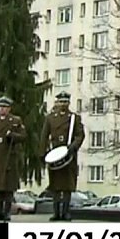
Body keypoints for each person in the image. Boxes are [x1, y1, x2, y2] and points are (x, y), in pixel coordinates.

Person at [39, 92, 84, 222]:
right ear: (56, 103)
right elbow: (44, 136)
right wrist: (43, 153)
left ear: (68, 103)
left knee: (67, 186)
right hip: (55, 155)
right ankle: (56, 213)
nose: (63, 104)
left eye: (65, 102)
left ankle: (66, 212)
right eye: (60, 102)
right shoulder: (50, 118)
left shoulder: (74, 118)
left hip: (69, 155)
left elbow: (80, 135)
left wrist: (73, 147)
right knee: (55, 185)